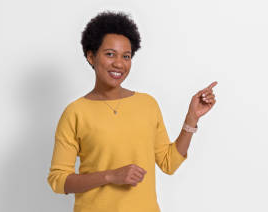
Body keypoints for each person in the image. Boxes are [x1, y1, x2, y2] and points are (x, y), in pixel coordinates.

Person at [47, 11, 217, 212]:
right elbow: (58, 180)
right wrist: (110, 176)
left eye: (126, 56)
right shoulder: (76, 112)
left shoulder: (147, 104)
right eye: (110, 54)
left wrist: (192, 118)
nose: (119, 63)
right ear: (91, 56)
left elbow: (168, 163)